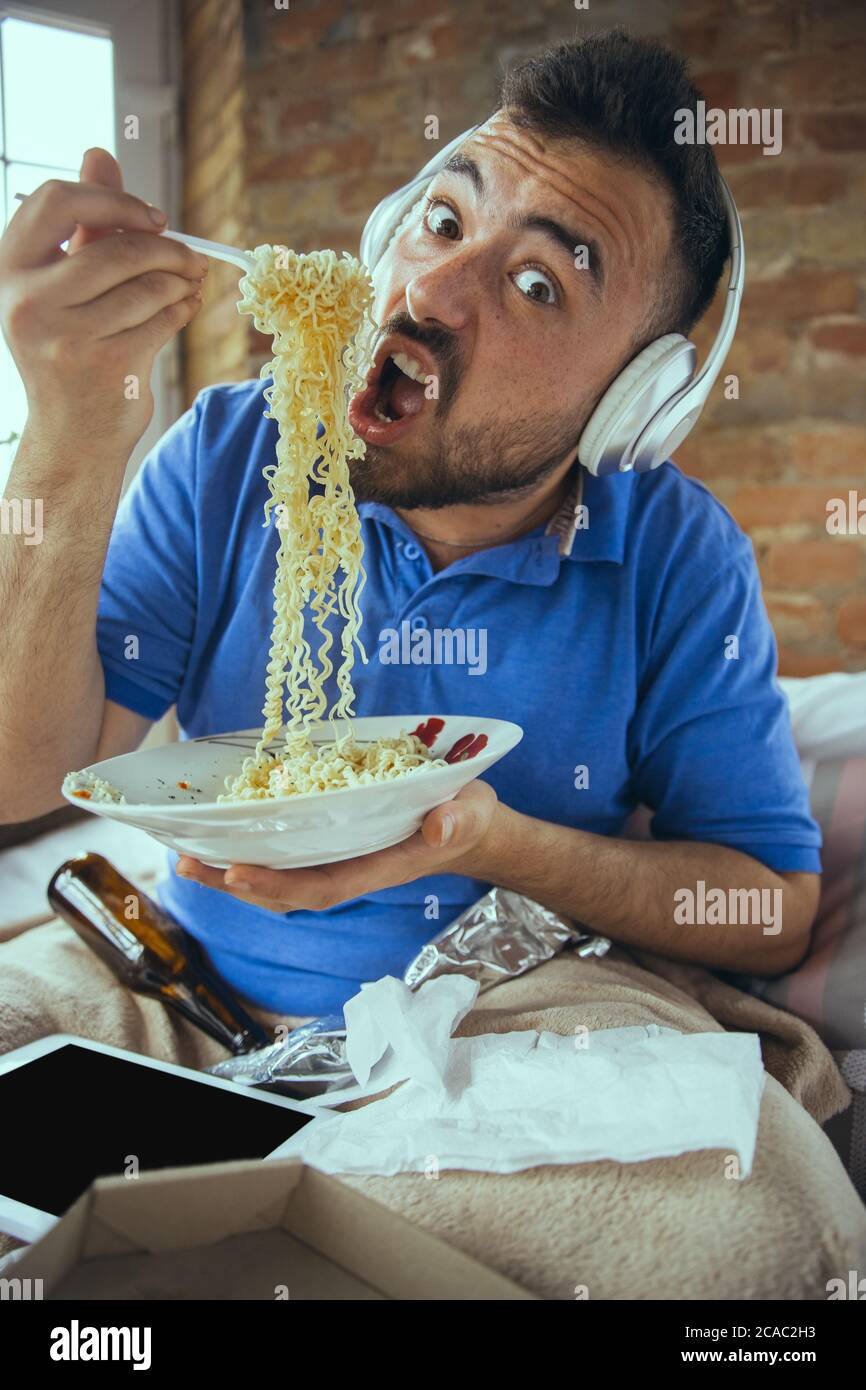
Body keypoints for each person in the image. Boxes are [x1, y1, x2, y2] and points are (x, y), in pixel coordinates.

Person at [2, 28, 863, 1303]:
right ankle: (299, 1205)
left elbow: (764, 903)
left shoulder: (675, 554)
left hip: (514, 1019)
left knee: (770, 1223)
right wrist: (72, 436)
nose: (429, 292)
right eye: (443, 217)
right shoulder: (231, 451)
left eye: (535, 287)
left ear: (628, 403)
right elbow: (25, 776)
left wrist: (485, 840)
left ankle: (243, 1209)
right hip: (171, 990)